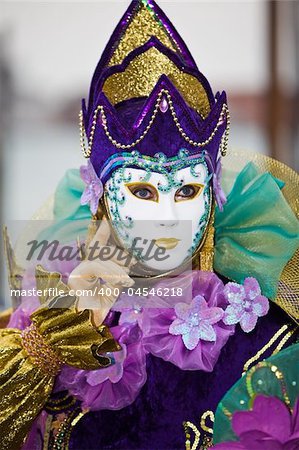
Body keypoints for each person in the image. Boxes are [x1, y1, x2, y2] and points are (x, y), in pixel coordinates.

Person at [0, 1, 298, 449]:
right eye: (142, 192)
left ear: (213, 195)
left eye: (186, 191)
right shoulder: (55, 323)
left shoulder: (264, 338)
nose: (167, 217)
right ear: (99, 197)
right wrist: (49, 347)